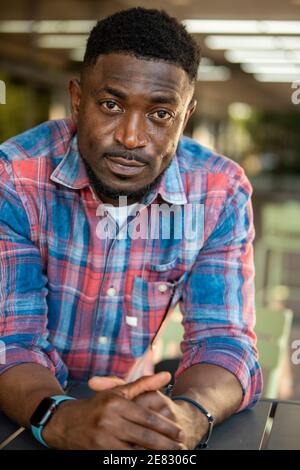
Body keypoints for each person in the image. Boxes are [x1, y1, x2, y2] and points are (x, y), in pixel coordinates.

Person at [0, 7, 262, 450]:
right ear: (77, 99)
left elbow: (224, 339)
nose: (131, 138)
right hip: (24, 409)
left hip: (141, 409)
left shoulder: (219, 190)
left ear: (186, 115)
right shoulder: (16, 178)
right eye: (111, 105)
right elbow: (10, 339)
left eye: (161, 114)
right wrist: (60, 417)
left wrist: (190, 415)